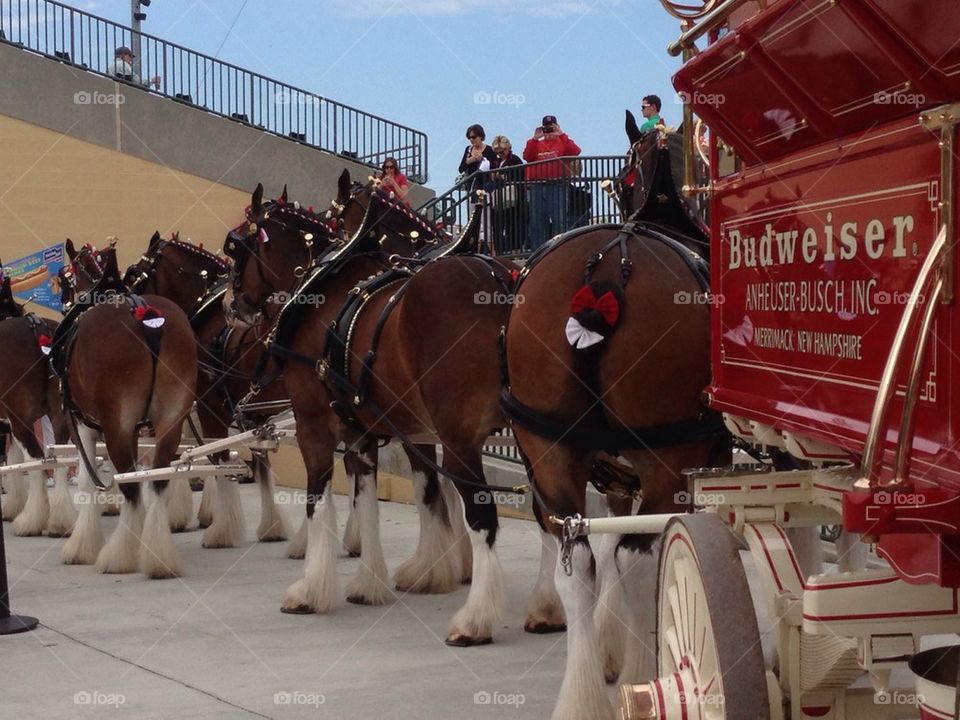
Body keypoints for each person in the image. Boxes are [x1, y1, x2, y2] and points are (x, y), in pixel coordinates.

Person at [522, 115, 581, 249]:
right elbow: (527, 156)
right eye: (546, 129)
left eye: (551, 128)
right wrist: (534, 139)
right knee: (537, 221)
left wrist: (561, 134)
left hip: (558, 185)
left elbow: (576, 151)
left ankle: (560, 249)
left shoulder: (562, 141)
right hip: (538, 186)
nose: (548, 132)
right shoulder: (537, 143)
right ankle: (538, 251)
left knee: (559, 220)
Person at [458, 124, 497, 244]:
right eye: (469, 138)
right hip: (472, 188)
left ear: (480, 136)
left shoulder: (489, 150)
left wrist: (483, 160)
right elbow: (461, 168)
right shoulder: (468, 150)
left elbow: (494, 167)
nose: (472, 140)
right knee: (473, 217)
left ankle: (488, 243)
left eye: (474, 137)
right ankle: (475, 242)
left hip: (484, 187)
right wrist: (471, 160)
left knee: (485, 217)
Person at [489, 136, 524, 255]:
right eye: (497, 152)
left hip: (513, 198)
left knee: (512, 224)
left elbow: (520, 176)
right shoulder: (496, 162)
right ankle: (499, 251)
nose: (500, 154)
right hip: (499, 197)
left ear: (508, 148)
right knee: (498, 225)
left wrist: (504, 177)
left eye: (502, 151)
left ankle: (515, 250)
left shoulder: (515, 160)